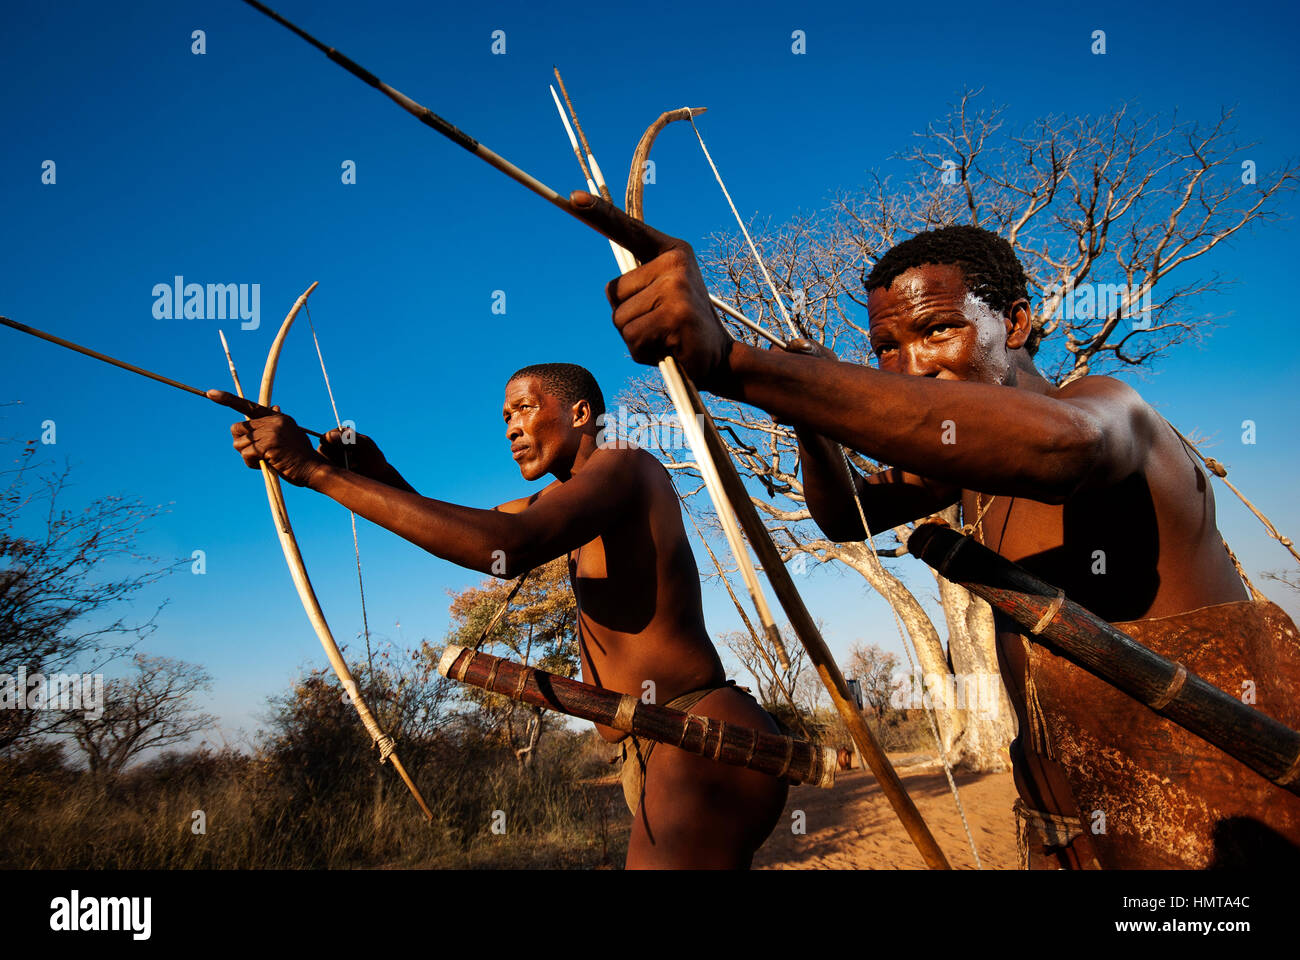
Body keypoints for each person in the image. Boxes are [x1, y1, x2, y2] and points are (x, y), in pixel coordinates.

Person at [574, 191, 1300, 869]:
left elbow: (1062, 448)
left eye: (938, 329)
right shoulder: (962, 473)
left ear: (1015, 323)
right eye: (887, 347)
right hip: (1063, 831)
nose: (911, 366)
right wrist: (810, 416)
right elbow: (843, 516)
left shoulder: (1108, 410)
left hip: (1215, 829)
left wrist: (736, 364)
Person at [215, 362, 787, 868]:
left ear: (581, 412)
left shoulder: (624, 464)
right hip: (656, 744)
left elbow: (506, 545)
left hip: (699, 737)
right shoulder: (566, 498)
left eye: (523, 409)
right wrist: (369, 472)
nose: (510, 428)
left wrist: (319, 475)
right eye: (505, 417)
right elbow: (469, 531)